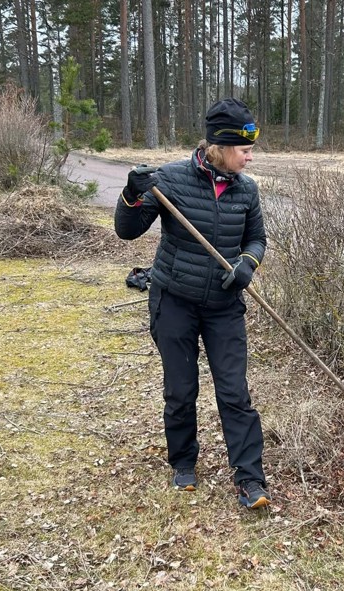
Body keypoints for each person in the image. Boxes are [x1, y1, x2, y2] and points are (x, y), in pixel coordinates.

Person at [114, 98, 270, 509]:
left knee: (235, 392)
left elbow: (257, 239)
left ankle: (250, 479)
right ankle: (183, 463)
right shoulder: (170, 180)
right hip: (175, 301)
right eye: (245, 148)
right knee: (181, 390)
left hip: (224, 306)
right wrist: (131, 194)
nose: (250, 156)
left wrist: (247, 265)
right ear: (220, 146)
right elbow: (127, 231)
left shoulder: (246, 191)